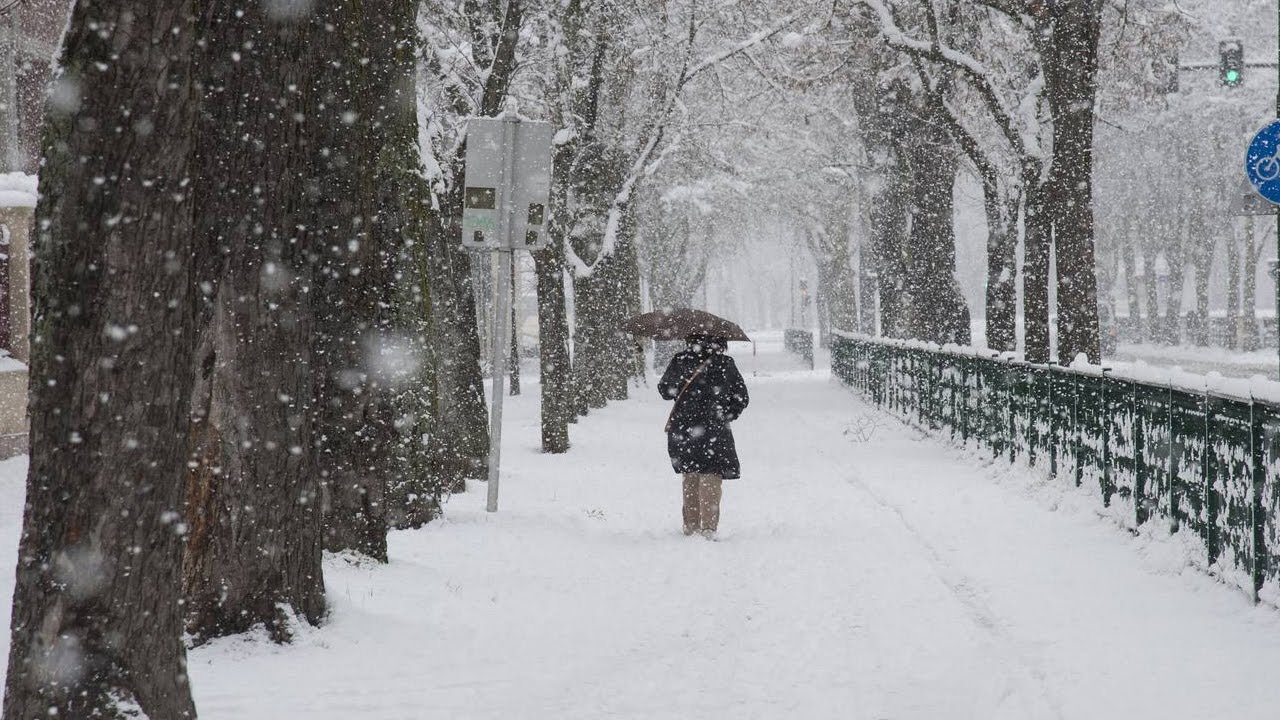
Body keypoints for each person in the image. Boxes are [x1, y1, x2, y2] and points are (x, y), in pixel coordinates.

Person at [658, 334, 749, 539]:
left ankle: (691, 526)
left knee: (690, 475)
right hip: (714, 429)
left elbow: (665, 390)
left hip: (684, 427)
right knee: (711, 475)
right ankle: (708, 527)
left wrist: (681, 385)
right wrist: (726, 414)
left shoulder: (681, 360)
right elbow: (741, 397)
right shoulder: (725, 363)